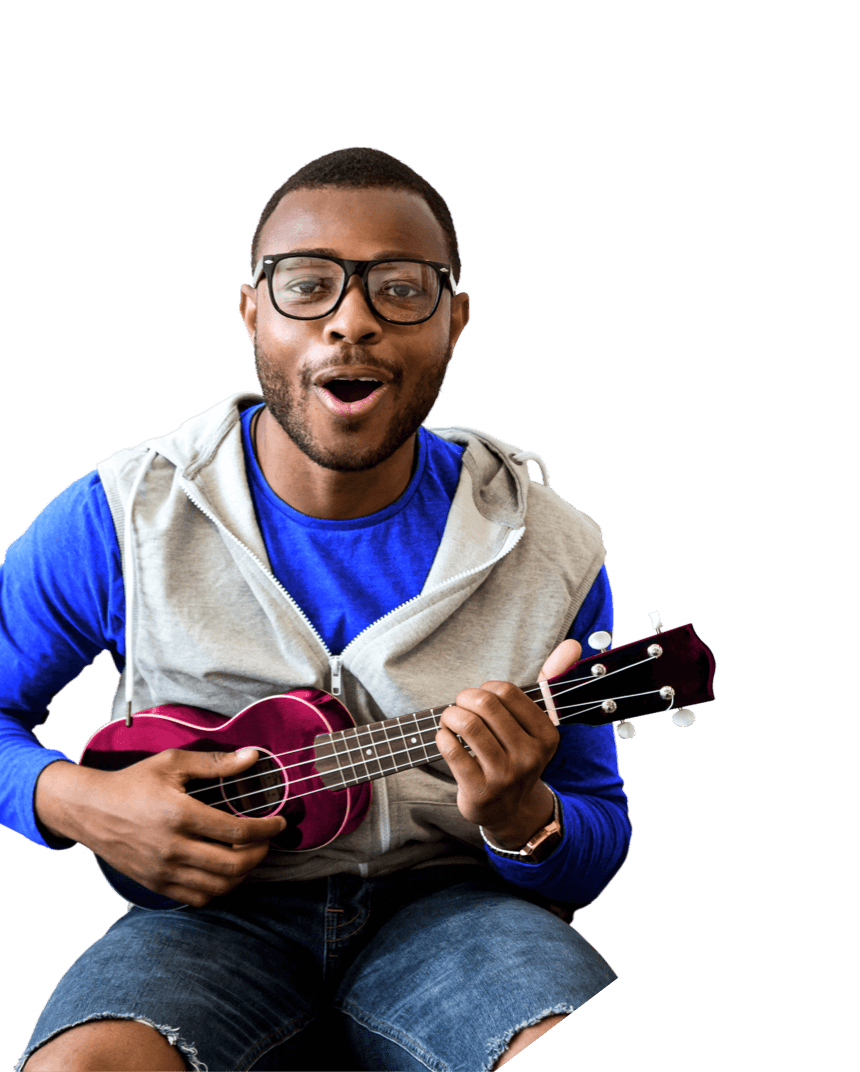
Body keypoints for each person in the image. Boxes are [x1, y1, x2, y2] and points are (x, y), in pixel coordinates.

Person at [4, 147, 631, 1072]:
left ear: (457, 320)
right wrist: (73, 800)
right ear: (251, 311)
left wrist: (521, 817)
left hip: (457, 913)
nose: (351, 322)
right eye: (308, 286)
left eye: (402, 290)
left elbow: (596, 835)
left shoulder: (554, 544)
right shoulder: (119, 515)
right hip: (206, 923)